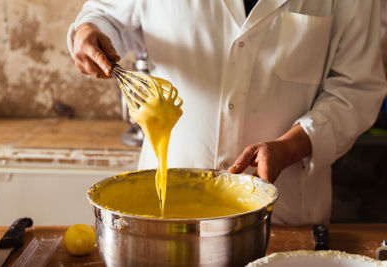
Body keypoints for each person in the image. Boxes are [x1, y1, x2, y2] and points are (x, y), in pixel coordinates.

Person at [67, 0, 387, 224]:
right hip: (163, 206)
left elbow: (356, 88)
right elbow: (104, 13)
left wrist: (292, 145)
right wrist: (87, 32)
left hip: (285, 211)